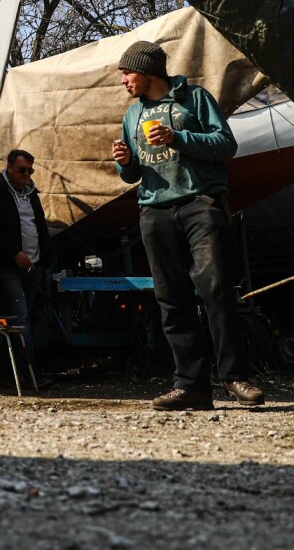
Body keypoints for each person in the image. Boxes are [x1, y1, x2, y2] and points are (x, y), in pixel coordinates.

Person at [110, 40, 265, 410]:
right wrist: (124, 161)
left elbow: (225, 144)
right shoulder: (132, 115)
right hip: (154, 212)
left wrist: (176, 136)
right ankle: (191, 386)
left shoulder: (194, 98)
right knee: (171, 299)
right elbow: (131, 175)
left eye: (127, 73)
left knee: (216, 289)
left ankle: (236, 377)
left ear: (148, 73)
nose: (123, 81)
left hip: (200, 204)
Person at [0, 149, 52, 374]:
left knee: (23, 316)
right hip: (7, 266)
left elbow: (39, 227)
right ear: (9, 168)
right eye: (21, 170)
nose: (26, 174)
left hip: (33, 265)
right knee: (21, 316)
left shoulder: (31, 195)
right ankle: (28, 371)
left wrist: (46, 257)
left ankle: (6, 369)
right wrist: (13, 253)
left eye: (30, 170)